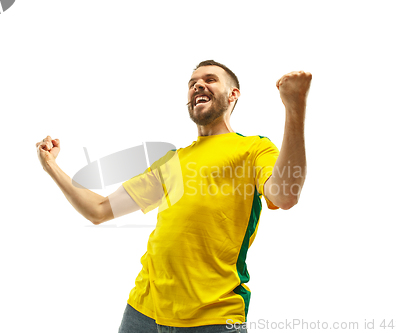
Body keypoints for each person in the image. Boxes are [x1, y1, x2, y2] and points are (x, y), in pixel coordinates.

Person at [36, 60, 311, 333]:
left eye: (210, 79)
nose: (198, 85)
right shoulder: (171, 161)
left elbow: (285, 195)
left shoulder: (253, 149)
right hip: (143, 310)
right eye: (193, 83)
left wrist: (294, 107)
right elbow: (98, 210)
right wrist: (51, 166)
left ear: (233, 94)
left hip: (212, 318)